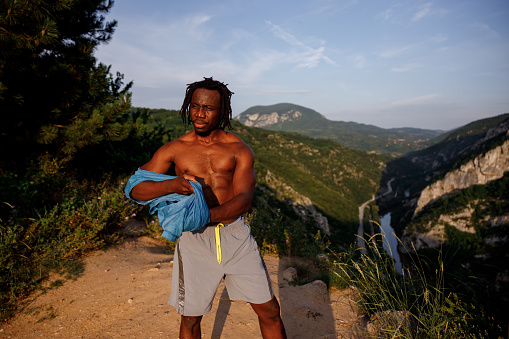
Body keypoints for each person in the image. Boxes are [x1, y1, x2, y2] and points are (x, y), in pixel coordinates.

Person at [128, 77, 287, 339]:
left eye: (208, 108)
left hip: (235, 237)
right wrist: (173, 185)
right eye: (194, 106)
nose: (199, 114)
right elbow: (136, 188)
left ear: (221, 111)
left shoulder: (238, 149)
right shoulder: (175, 149)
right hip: (195, 241)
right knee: (190, 319)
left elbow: (244, 198)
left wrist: (201, 216)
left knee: (269, 310)